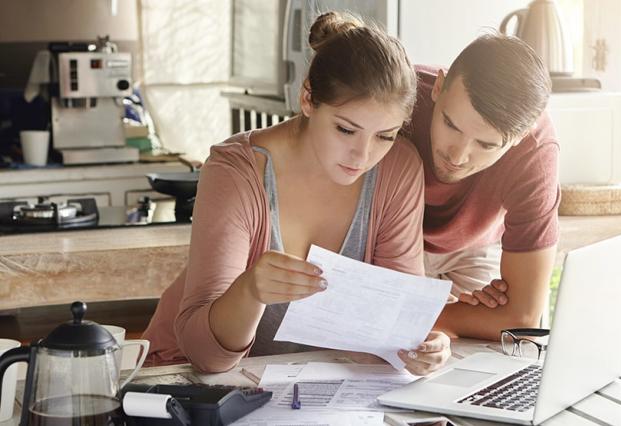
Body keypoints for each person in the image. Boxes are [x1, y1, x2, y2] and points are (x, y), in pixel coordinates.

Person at [142, 12, 450, 376]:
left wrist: (421, 347)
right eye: (346, 130)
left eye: (384, 135)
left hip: (307, 388)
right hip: (187, 380)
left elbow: (391, 328)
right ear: (307, 99)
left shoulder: (398, 168)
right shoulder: (236, 172)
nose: (363, 156)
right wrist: (249, 291)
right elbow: (206, 358)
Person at [402, 34, 560, 341]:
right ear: (438, 86)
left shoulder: (536, 152)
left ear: (519, 137)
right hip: (386, 241)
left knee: (492, 355)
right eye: (450, 124)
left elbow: (522, 320)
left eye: (486, 144)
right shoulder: (398, 94)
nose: (457, 156)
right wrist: (452, 315)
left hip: (471, 248)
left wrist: (415, 313)